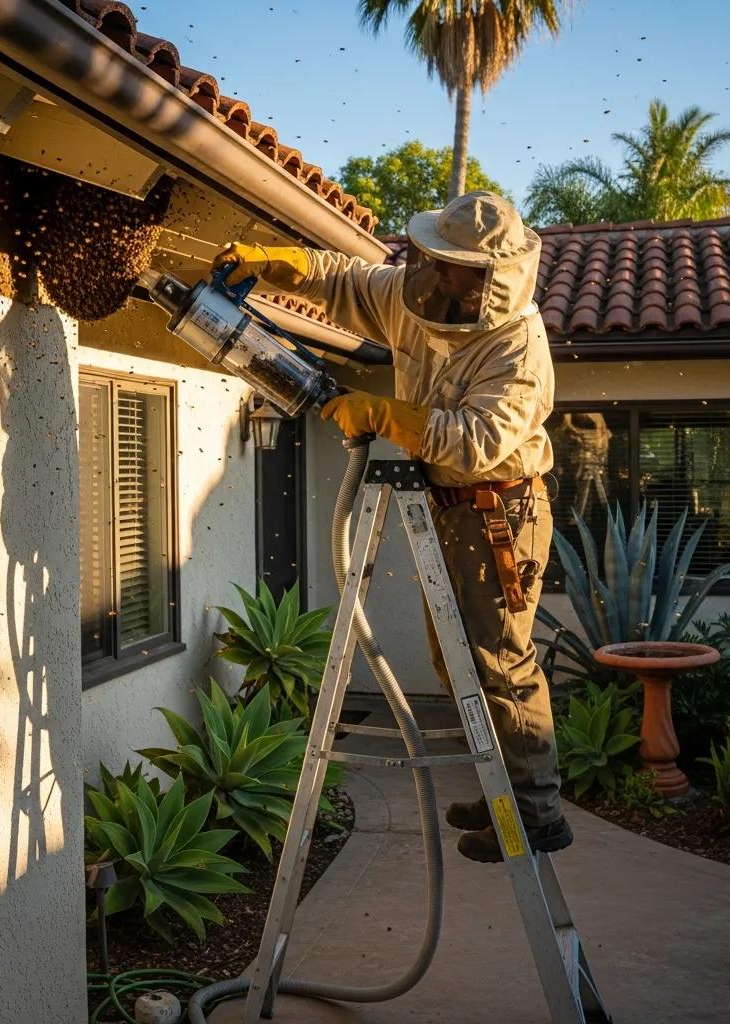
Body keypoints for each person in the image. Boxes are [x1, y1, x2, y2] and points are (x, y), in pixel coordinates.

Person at [212, 192, 569, 863]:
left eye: (445, 262)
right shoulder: (419, 295)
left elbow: (471, 442)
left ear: (485, 276)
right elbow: (343, 279)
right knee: (456, 661)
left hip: (501, 514)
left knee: (498, 662)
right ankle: (503, 796)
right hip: (453, 507)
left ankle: (536, 810)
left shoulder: (517, 348)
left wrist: (379, 413)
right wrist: (270, 264)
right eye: (430, 255)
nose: (427, 268)